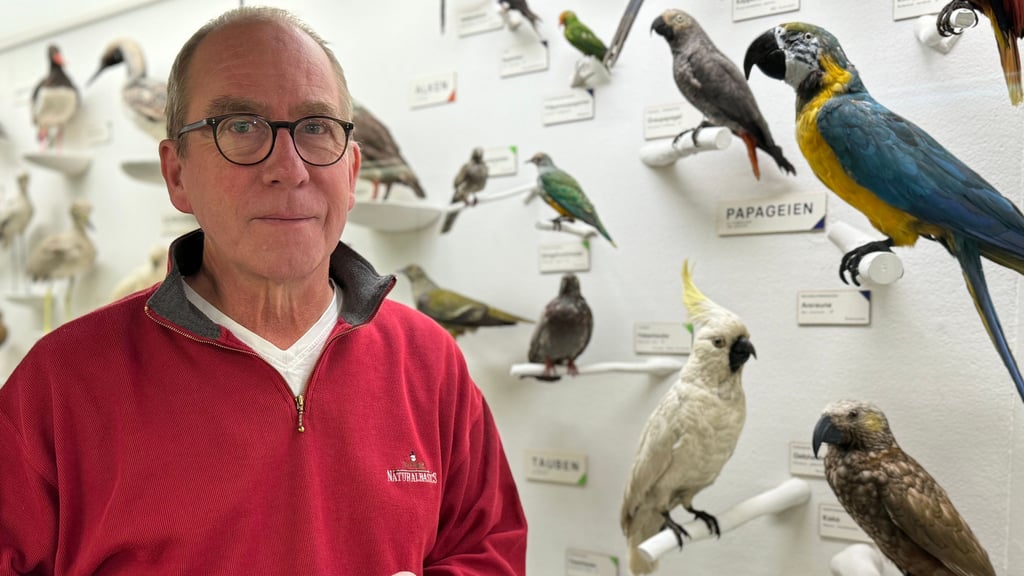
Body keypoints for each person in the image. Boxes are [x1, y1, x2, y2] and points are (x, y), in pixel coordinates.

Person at [0, 7, 527, 574]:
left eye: (316, 127)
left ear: (351, 173)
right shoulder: (61, 384)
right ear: (177, 173)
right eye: (242, 127)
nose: (289, 168)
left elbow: (487, 548)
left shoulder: (428, 362)